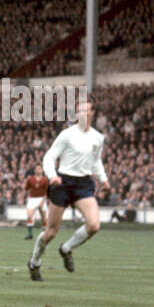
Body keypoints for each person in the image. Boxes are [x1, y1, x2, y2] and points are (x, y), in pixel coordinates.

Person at [28, 99, 110, 282]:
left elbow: (96, 161)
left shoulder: (98, 138)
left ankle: (66, 249)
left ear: (92, 113)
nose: (84, 114)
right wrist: (52, 175)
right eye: (80, 111)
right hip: (63, 183)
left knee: (94, 225)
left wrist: (103, 179)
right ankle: (34, 262)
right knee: (51, 232)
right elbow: (49, 156)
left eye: (87, 110)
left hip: (83, 185)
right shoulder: (67, 135)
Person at [22, 168, 49, 240]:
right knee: (29, 216)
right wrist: (23, 197)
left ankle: (44, 234)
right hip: (32, 199)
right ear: (34, 171)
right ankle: (30, 234)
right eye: (37, 169)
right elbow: (26, 189)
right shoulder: (30, 179)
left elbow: (47, 192)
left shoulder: (45, 180)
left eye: (39, 169)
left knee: (44, 219)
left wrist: (42, 202)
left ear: (42, 170)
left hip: (42, 198)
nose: (38, 170)